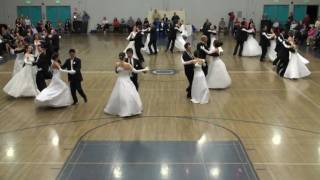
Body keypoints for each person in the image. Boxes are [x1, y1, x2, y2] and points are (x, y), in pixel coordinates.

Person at [104, 52, 149, 117]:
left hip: (119, 81)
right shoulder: (128, 65)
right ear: (125, 57)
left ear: (119, 57)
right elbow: (135, 71)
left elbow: (116, 72)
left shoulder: (117, 64)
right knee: (130, 94)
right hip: (127, 81)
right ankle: (129, 109)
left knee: (119, 95)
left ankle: (120, 109)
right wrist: (145, 69)